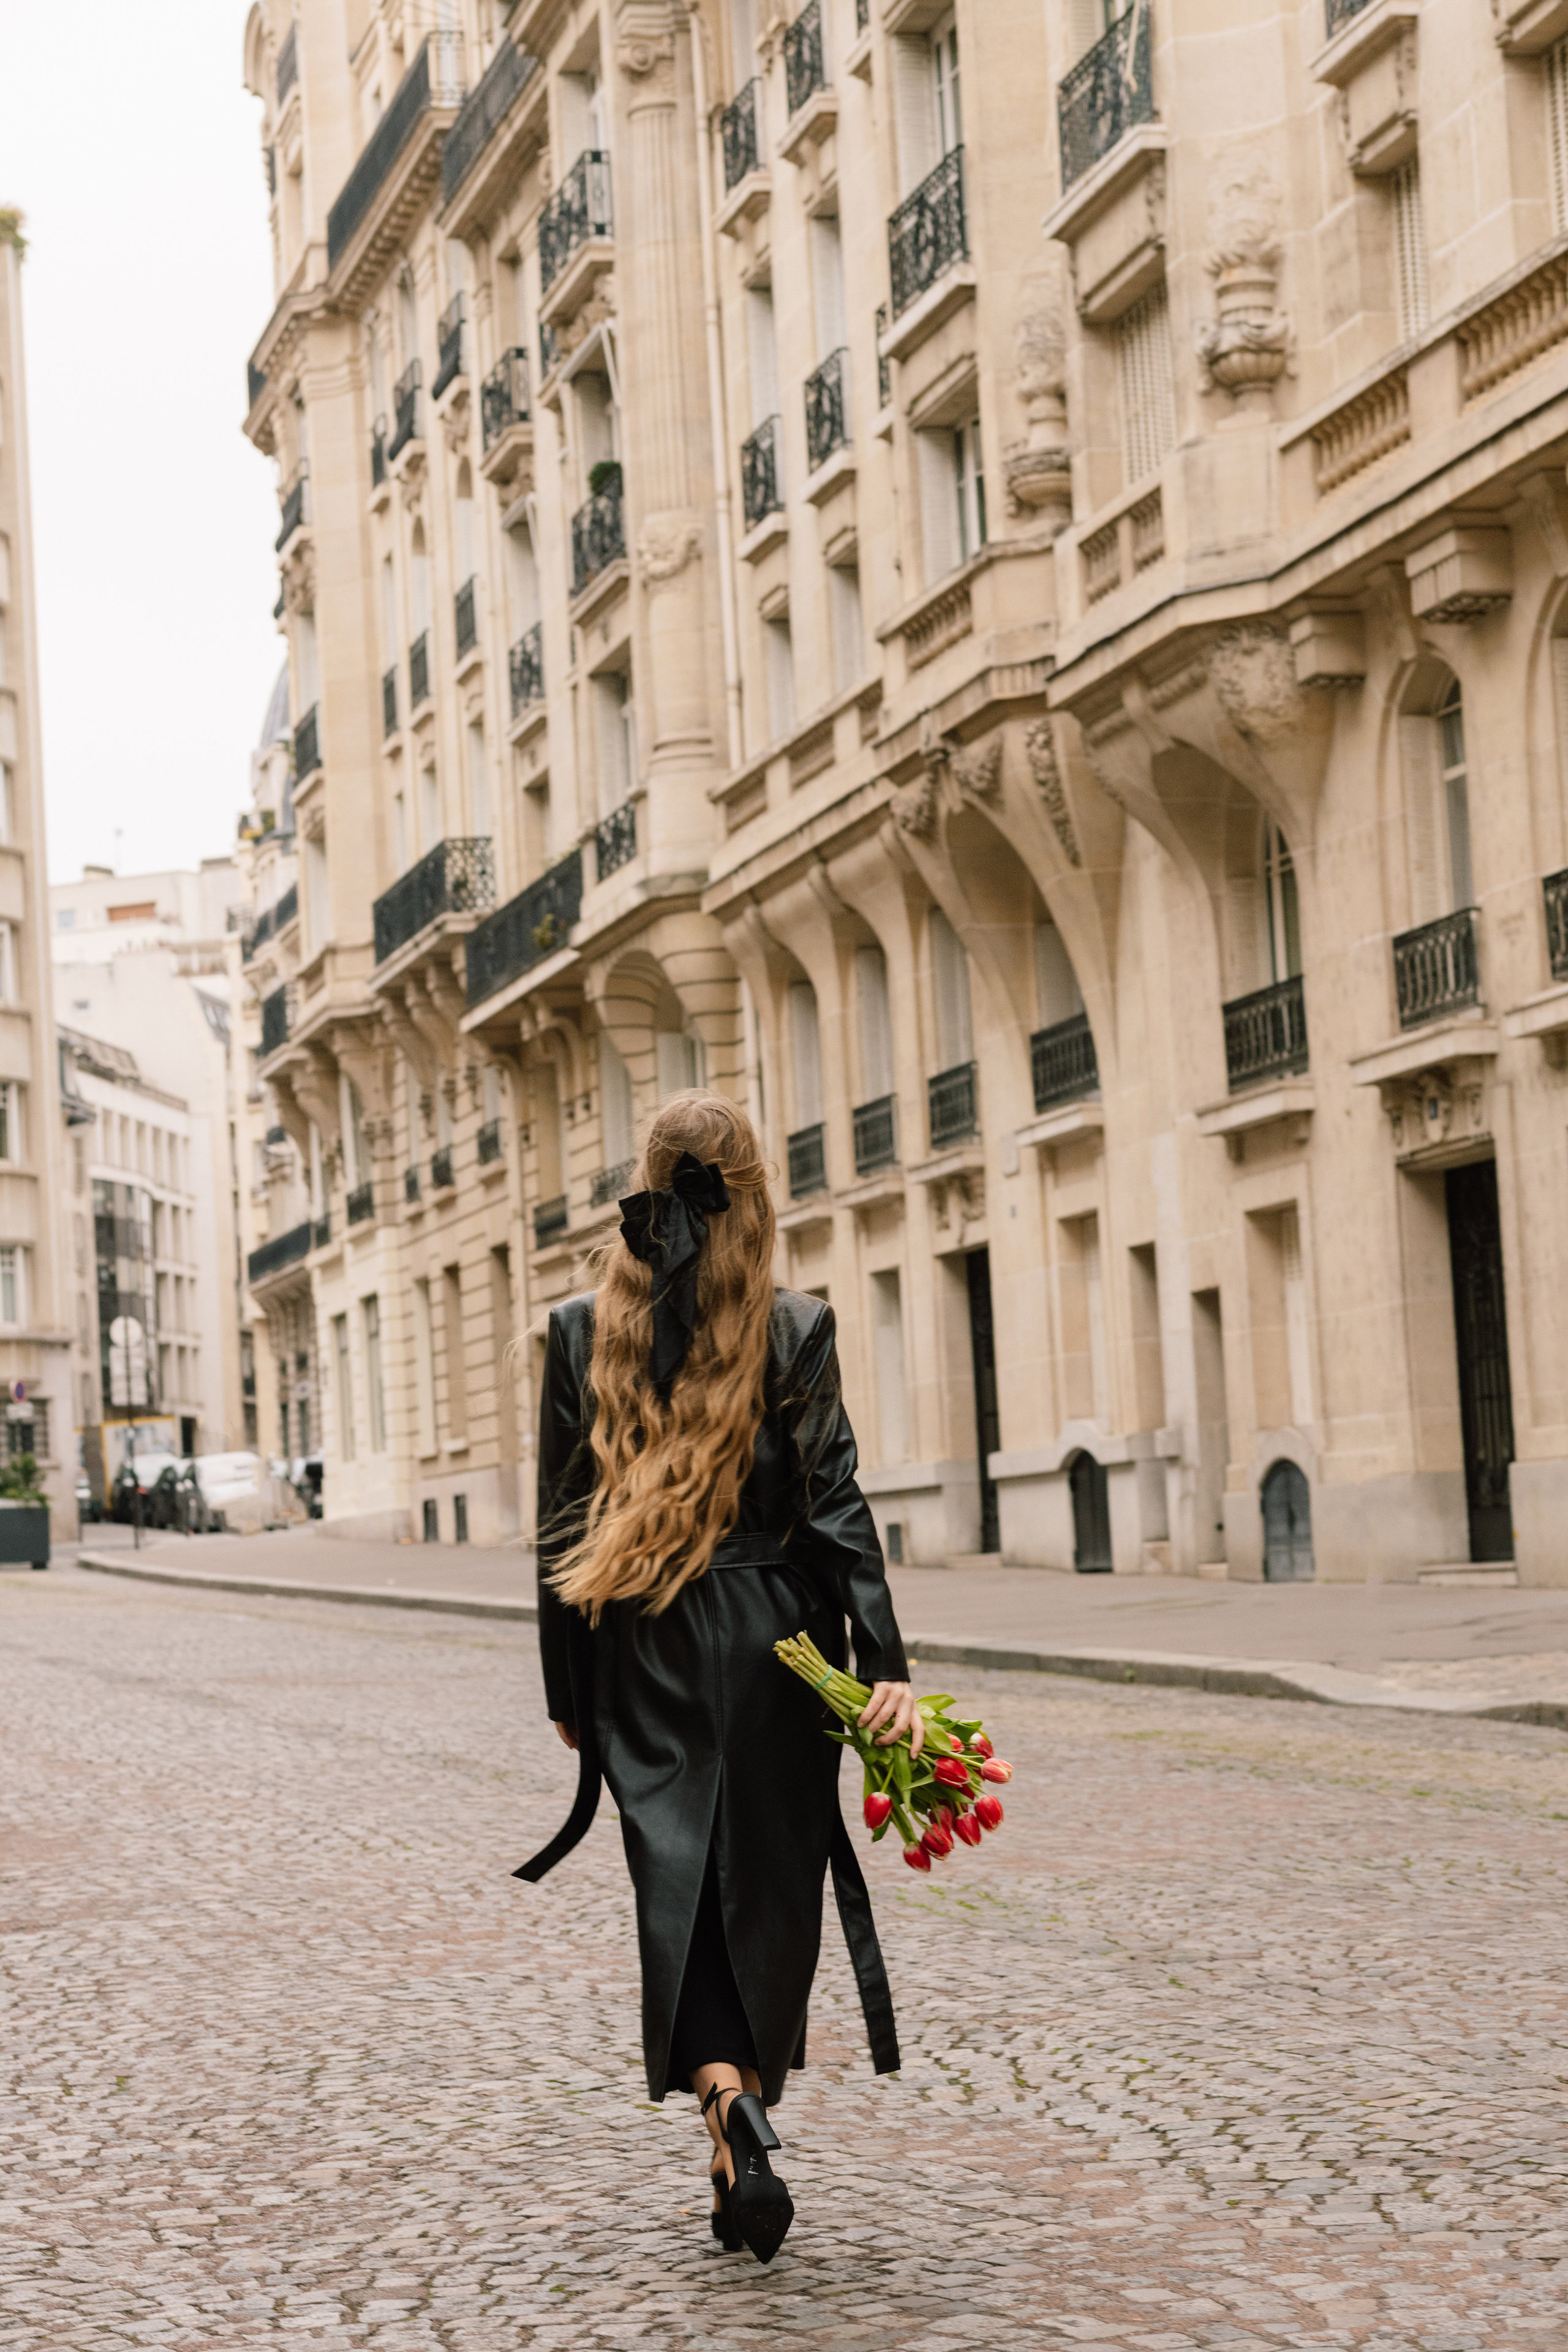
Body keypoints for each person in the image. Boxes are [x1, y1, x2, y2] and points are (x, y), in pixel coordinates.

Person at [516, 1091, 922, 2264]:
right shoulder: (796, 1324)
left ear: (648, 1181)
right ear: (756, 1195)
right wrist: (883, 1664)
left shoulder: (578, 1328)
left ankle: (722, 2102)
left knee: (677, 1887)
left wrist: (566, 1690)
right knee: (771, 1885)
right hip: (779, 1638)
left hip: (640, 1640)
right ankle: (745, 2102)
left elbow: (557, 1531)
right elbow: (835, 1506)